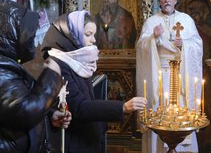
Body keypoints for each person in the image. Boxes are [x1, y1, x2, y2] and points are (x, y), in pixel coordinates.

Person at [41, 10, 147, 153]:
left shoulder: (77, 60)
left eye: (93, 34)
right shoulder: (57, 63)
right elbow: (78, 106)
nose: (94, 40)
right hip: (74, 142)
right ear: (72, 35)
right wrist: (122, 107)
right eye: (88, 35)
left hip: (89, 139)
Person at [136, 0, 203, 153]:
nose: (167, 0)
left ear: (175, 0)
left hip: (182, 76)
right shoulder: (151, 21)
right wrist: (153, 38)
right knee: (159, 112)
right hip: (159, 77)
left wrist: (185, 44)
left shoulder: (186, 20)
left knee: (182, 111)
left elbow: (198, 44)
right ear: (159, 1)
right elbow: (140, 46)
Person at [0, 0, 71, 153]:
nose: (33, 41)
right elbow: (24, 112)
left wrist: (50, 116)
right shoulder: (1, 68)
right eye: (29, 34)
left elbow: (13, 106)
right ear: (11, 33)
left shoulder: (7, 64)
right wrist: (52, 75)